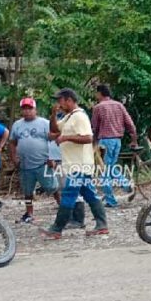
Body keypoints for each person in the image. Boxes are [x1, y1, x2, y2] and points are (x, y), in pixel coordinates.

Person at [40, 89, 109, 238]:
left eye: (60, 100)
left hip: (79, 165)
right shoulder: (69, 117)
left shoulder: (79, 117)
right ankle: (102, 224)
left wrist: (66, 138)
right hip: (76, 165)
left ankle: (57, 228)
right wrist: (53, 115)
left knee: (68, 194)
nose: (59, 104)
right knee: (89, 194)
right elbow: (55, 129)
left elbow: (88, 138)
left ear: (69, 100)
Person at [9, 98, 60, 224]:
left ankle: (64, 208)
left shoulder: (44, 123)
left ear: (35, 110)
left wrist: (53, 158)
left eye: (29, 108)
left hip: (43, 163)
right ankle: (29, 212)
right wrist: (14, 158)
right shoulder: (17, 125)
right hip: (25, 164)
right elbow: (12, 142)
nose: (27, 111)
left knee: (53, 187)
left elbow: (54, 139)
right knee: (27, 191)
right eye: (24, 109)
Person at [91, 84, 138, 207]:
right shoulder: (119, 105)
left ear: (100, 93)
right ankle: (126, 185)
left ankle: (111, 200)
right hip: (117, 141)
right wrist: (134, 140)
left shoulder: (98, 107)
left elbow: (94, 128)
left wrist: (93, 144)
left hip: (104, 142)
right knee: (111, 167)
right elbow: (130, 124)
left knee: (104, 171)